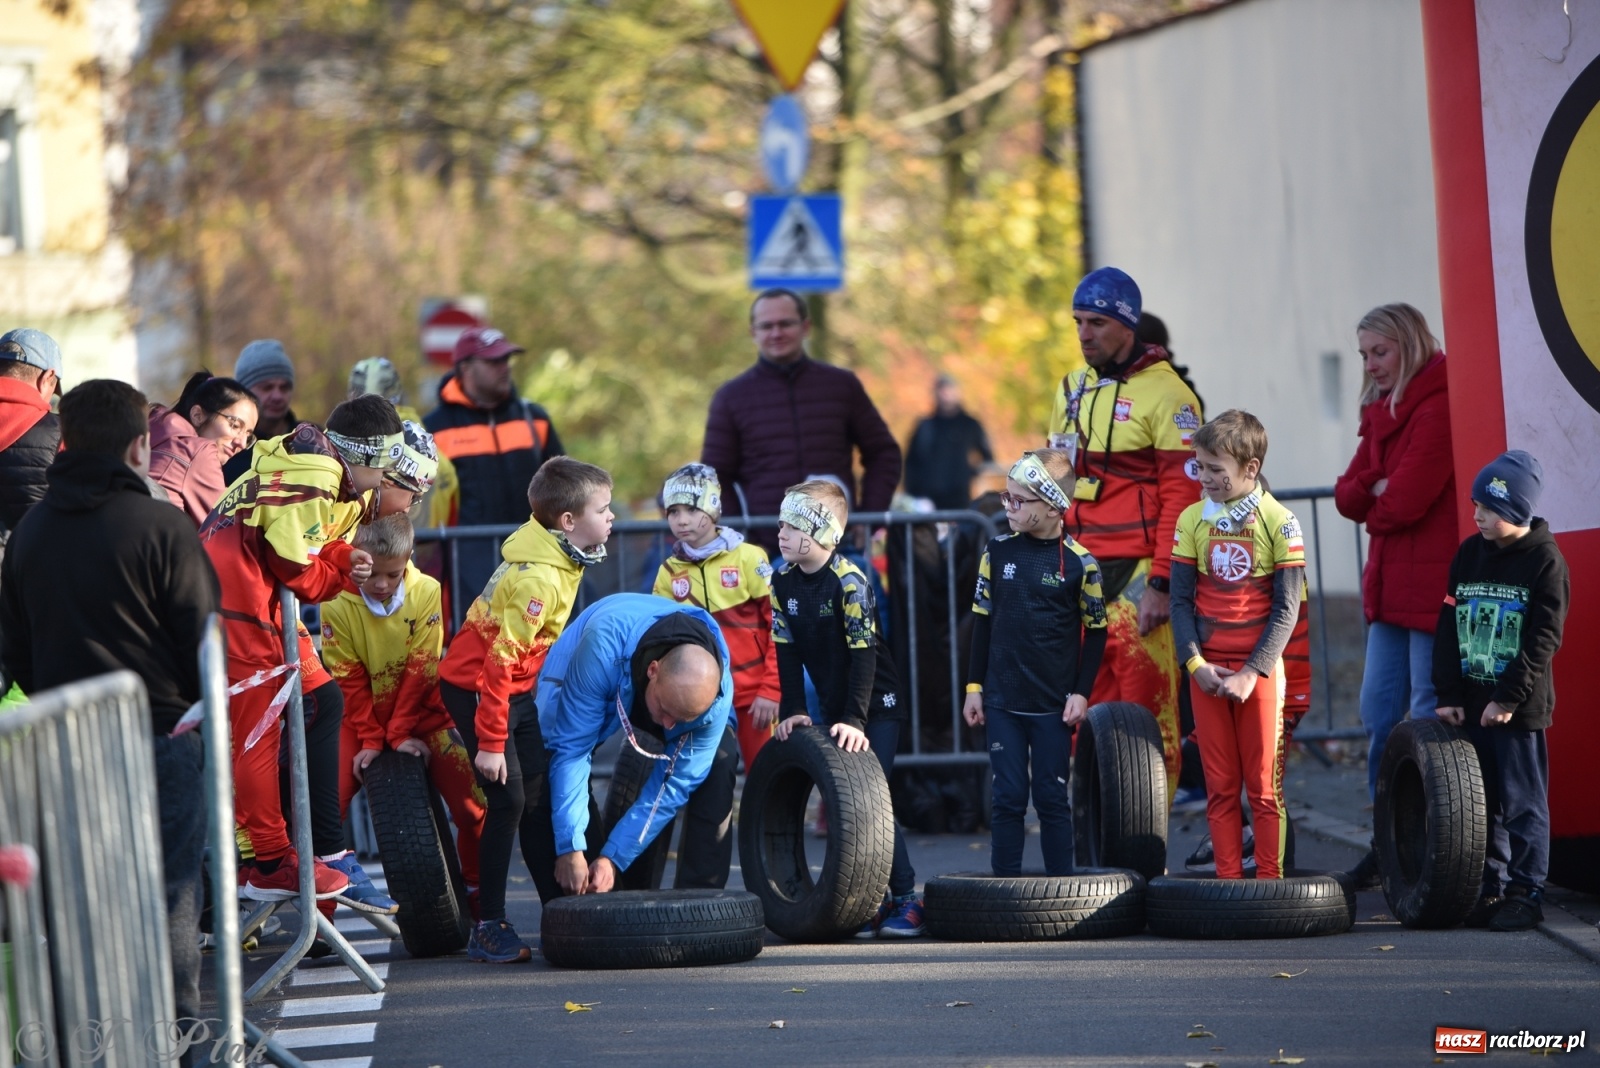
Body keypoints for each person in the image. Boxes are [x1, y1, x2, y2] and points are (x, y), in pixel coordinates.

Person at [0, 379, 219, 1052]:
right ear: (135, 447)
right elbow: (202, 640)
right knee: (172, 893)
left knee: (81, 902)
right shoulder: (162, 525)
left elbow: (19, 652)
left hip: (64, 744)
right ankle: (178, 1040)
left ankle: (87, 1046)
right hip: (160, 735)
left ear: (66, 439)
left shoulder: (30, 533)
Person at [200, 395, 403, 909]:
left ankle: (321, 848)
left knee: (321, 700)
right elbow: (296, 569)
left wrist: (345, 557)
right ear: (365, 457)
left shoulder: (335, 476)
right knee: (257, 734)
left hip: (258, 600)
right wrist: (338, 573)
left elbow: (314, 547)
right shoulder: (315, 474)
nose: (386, 483)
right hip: (236, 605)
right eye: (383, 469)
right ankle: (268, 860)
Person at [436, 456, 612, 962]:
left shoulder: (564, 557)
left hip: (513, 691)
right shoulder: (540, 577)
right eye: (604, 510)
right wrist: (491, 742)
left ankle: (558, 909)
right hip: (478, 689)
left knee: (536, 795)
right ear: (569, 523)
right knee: (508, 801)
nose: (612, 518)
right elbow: (497, 662)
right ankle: (487, 924)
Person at [1047, 268, 1202, 803]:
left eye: (1097, 323)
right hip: (1079, 577)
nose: (1084, 334)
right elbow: (1057, 484)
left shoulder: (1172, 397)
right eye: (1078, 322)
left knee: (1148, 717)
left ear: (1127, 326)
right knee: (1081, 715)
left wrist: (1162, 583)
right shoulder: (1071, 388)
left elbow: (1183, 504)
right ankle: (1093, 837)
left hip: (1139, 580)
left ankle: (1145, 844)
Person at [1333, 303, 1455, 885]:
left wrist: (1376, 496)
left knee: (1428, 717)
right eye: (1363, 354)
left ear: (1409, 344)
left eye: (1379, 351)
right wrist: (1372, 488)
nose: (1371, 364)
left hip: (1431, 591)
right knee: (1378, 715)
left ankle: (1436, 840)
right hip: (1389, 589)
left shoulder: (1438, 405)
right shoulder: (1380, 410)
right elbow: (1347, 496)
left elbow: (1402, 502)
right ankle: (1388, 840)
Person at [770, 479, 923, 937]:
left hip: (876, 703)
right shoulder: (780, 579)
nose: (780, 530)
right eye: (780, 520)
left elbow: (864, 655)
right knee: (847, 805)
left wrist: (855, 720)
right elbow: (787, 650)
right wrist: (794, 708)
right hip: (837, 704)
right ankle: (868, 902)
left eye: (793, 522)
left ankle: (907, 899)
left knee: (873, 802)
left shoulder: (850, 582)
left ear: (824, 533)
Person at [322, 513, 486, 914]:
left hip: (425, 714)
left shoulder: (427, 590)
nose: (380, 584)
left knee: (474, 808)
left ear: (409, 560)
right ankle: (320, 919)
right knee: (326, 811)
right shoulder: (335, 602)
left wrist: (398, 732)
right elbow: (348, 677)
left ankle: (478, 898)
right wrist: (374, 737)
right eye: (371, 574)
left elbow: (421, 667)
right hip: (358, 720)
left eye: (392, 575)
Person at [1433, 451, 1568, 932]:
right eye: (1475, 506)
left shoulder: (1545, 561)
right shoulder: (1470, 553)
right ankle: (1488, 887)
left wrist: (1508, 698)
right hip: (1470, 703)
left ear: (1515, 511)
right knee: (1481, 801)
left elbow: (1543, 639)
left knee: (1522, 802)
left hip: (1516, 710)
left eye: (1487, 509)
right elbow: (1449, 620)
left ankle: (1527, 890)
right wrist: (1448, 691)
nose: (1477, 516)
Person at [1169, 410, 1306, 881]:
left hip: (1260, 674)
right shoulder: (1191, 518)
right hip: (1207, 671)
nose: (1204, 478)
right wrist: (1194, 664)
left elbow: (1287, 610)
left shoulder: (1280, 521)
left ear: (1250, 469)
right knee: (1221, 788)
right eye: (1199, 467)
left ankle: (1270, 886)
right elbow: (1180, 602)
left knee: (1263, 789)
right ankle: (1228, 886)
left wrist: (1253, 671)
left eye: (1214, 469)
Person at [628, 463, 775, 891]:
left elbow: (778, 633)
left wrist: (771, 689)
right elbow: (656, 638)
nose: (680, 520)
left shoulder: (750, 559)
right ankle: (701, 890)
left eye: (689, 510)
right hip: (709, 701)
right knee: (712, 778)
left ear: (712, 509)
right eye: (672, 512)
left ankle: (772, 887)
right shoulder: (668, 571)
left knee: (768, 791)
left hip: (756, 699)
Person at [962, 451, 1107, 876]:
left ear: (1051, 506)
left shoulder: (1082, 564)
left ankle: (1062, 889)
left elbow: (1096, 632)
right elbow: (981, 623)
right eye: (1006, 497)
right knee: (1007, 796)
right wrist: (974, 688)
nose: (1008, 506)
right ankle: (1004, 889)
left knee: (1050, 797)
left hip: (1052, 706)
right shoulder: (997, 550)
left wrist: (1082, 693)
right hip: (1003, 701)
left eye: (1018, 500)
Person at [535, 594, 735, 900]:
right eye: (665, 710)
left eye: (680, 719)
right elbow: (572, 751)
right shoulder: (600, 650)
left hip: (660, 686)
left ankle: (698, 902)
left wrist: (613, 859)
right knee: (545, 769)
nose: (667, 726)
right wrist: (570, 847)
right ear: (652, 670)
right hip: (599, 660)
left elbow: (670, 788)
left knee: (720, 760)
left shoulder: (715, 704)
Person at [701, 288, 901, 550]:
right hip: (765, 552)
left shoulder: (841, 386)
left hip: (838, 547)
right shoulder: (731, 398)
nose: (776, 333)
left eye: (785, 323)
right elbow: (715, 477)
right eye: (767, 326)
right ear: (753, 332)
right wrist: (740, 535)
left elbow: (883, 453)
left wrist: (869, 518)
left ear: (805, 327)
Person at [424, 326, 565, 600]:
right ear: (465, 367)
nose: (505, 368)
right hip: (469, 565)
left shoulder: (535, 418)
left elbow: (566, 485)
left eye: (506, 359)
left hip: (537, 556)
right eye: (493, 361)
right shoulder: (433, 429)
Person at [349, 356, 458, 530]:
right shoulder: (432, 450)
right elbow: (453, 509)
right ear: (397, 394)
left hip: (381, 548)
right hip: (429, 549)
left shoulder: (363, 446)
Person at [148, 371, 259, 526]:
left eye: (248, 435)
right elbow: (230, 528)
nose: (241, 443)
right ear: (197, 415)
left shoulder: (151, 435)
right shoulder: (198, 452)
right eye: (235, 425)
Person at [903, 375, 993, 511]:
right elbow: (911, 463)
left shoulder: (970, 425)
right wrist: (913, 494)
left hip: (961, 499)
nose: (945, 395)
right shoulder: (925, 426)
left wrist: (969, 472)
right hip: (927, 502)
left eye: (949, 389)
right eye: (942, 390)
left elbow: (988, 458)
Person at [224, 338, 299, 484]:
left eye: (284, 388)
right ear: (243, 391)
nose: (277, 396)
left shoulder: (313, 441)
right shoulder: (229, 450)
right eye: (267, 388)